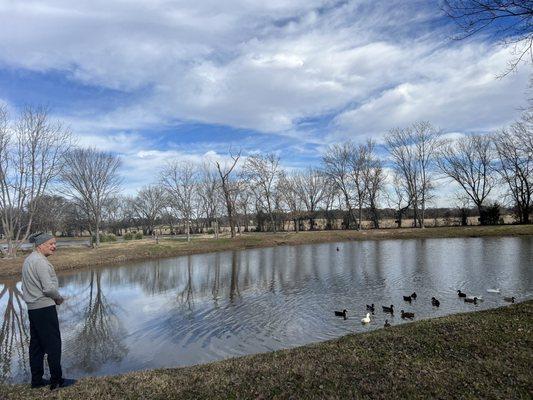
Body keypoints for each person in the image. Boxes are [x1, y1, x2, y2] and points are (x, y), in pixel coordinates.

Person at [21, 232, 76, 390]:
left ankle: (37, 381)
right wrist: (58, 298)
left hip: (33, 309)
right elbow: (48, 288)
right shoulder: (41, 262)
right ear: (40, 245)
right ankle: (57, 381)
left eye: (55, 243)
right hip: (44, 308)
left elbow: (25, 286)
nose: (54, 246)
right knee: (54, 345)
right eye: (51, 244)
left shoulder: (29, 260)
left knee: (36, 345)